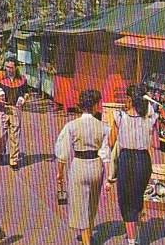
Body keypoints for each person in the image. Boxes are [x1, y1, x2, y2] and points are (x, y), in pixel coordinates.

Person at [55, 90, 110, 245]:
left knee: (80, 206)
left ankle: (86, 241)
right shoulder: (103, 127)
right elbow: (106, 153)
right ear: (94, 105)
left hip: (79, 165)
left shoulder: (71, 126)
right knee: (92, 204)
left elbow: (63, 152)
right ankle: (88, 235)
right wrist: (109, 177)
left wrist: (59, 174)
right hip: (96, 166)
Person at [108, 84, 159, 245]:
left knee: (126, 199)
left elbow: (110, 142)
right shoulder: (151, 118)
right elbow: (156, 144)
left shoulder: (120, 116)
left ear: (130, 99)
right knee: (137, 196)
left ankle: (131, 239)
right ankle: (135, 232)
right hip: (143, 160)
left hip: (126, 159)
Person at [0, 56, 28, 171]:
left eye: (11, 67)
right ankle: (0, 153)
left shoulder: (22, 79)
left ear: (16, 67)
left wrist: (24, 99)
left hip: (15, 109)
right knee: (0, 134)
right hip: (2, 108)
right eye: (6, 67)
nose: (8, 69)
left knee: (15, 135)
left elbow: (26, 92)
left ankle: (13, 160)